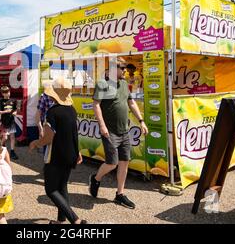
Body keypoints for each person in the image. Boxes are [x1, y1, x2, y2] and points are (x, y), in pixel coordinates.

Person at [89, 57, 148, 209]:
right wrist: (102, 126)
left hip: (124, 131)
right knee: (112, 163)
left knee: (124, 162)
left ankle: (119, 194)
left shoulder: (123, 84)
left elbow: (131, 102)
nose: (125, 71)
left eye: (126, 68)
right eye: (123, 68)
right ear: (115, 68)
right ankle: (95, 179)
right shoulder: (103, 84)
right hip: (110, 132)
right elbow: (96, 105)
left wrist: (141, 120)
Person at [29, 77, 86, 224]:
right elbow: (74, 133)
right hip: (70, 154)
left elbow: (48, 138)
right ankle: (61, 220)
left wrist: (36, 143)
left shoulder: (53, 112)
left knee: (51, 190)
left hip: (56, 156)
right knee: (62, 187)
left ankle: (75, 220)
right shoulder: (72, 110)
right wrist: (77, 151)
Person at [0, 86, 18, 160]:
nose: (8, 94)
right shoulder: (1, 102)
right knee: (5, 137)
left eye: (8, 92)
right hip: (4, 122)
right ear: (2, 94)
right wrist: (5, 112)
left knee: (12, 137)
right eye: (5, 93)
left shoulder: (13, 101)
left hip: (11, 122)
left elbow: (15, 110)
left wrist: (14, 112)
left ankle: (12, 151)